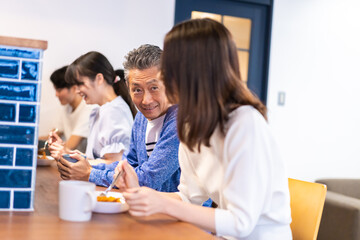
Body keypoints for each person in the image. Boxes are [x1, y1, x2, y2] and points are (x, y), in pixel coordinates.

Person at [116, 19, 292, 239]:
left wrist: (161, 202)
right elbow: (189, 197)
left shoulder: (244, 123)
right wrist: (139, 194)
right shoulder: (191, 124)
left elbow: (241, 223)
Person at [52, 45, 181, 193]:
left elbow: (147, 179)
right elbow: (128, 164)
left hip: (181, 212)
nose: (146, 100)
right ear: (128, 86)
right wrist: (83, 165)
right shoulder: (141, 118)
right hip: (148, 205)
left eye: (154, 88)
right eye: (137, 90)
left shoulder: (179, 121)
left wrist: (89, 173)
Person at [49, 52, 137, 168]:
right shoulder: (99, 110)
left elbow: (114, 163)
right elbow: (95, 159)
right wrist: (65, 152)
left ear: (99, 79)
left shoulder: (114, 111)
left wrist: (66, 155)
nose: (77, 91)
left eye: (80, 84)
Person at [39, 66, 93, 152]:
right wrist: (34, 140)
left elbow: (70, 145)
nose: (56, 95)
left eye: (59, 90)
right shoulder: (66, 108)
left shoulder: (88, 108)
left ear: (74, 88)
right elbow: (54, 134)